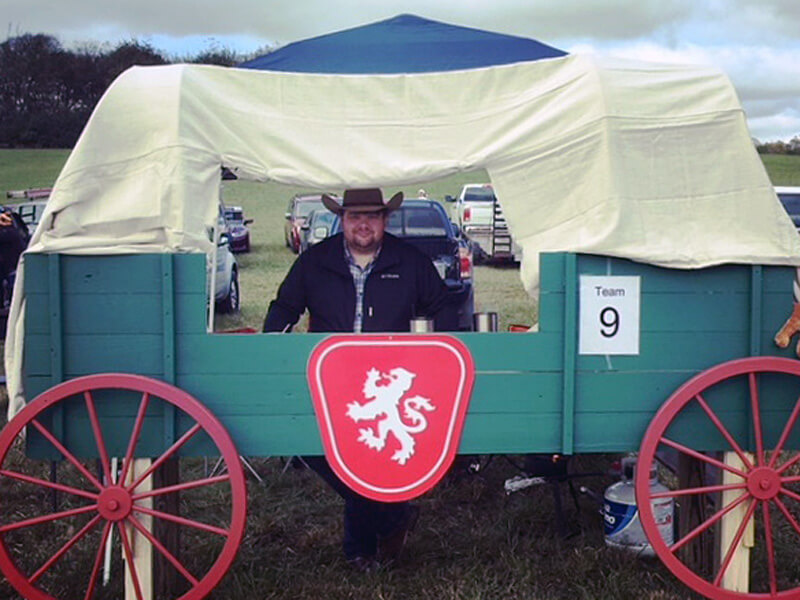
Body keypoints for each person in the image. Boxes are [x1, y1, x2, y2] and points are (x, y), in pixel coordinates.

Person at [263, 187, 455, 571]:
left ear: (385, 220)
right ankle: (394, 515)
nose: (363, 224)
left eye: (372, 216)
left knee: (368, 455)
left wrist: (423, 354)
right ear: (342, 220)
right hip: (329, 382)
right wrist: (272, 350)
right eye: (355, 217)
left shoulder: (411, 261)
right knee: (312, 446)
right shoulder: (314, 262)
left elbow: (443, 309)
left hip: (390, 386)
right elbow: (284, 308)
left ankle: (361, 550)